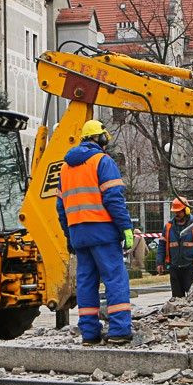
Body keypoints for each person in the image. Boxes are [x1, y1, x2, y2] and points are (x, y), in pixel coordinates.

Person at [56, 119, 134, 346]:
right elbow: (113, 199)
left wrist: (68, 235)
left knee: (86, 283)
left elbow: (60, 207)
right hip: (103, 230)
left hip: (79, 233)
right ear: (100, 138)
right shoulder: (103, 161)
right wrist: (126, 227)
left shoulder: (65, 167)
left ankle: (89, 333)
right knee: (115, 278)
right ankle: (119, 330)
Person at [157, 196, 193, 297]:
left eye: (179, 211)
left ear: (186, 210)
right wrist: (160, 262)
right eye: (175, 211)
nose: (176, 214)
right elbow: (162, 245)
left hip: (191, 268)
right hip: (175, 268)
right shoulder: (168, 226)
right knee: (177, 300)